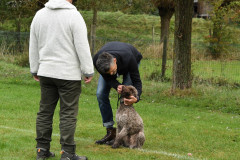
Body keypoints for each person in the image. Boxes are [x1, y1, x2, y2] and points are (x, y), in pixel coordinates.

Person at [29, 0, 94, 159]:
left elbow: (33, 44)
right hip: (68, 74)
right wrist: (88, 70)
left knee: (45, 111)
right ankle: (67, 153)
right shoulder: (74, 16)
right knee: (68, 113)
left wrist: (34, 68)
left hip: (46, 71)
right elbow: (82, 45)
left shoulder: (39, 15)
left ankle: (41, 150)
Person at [93, 41, 142, 145]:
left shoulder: (128, 58)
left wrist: (136, 98)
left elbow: (137, 81)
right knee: (100, 94)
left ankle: (123, 136)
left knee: (125, 98)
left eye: (112, 71)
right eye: (109, 72)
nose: (111, 74)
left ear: (114, 61)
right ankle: (110, 132)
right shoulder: (97, 61)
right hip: (115, 61)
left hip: (130, 60)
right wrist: (116, 85)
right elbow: (108, 78)